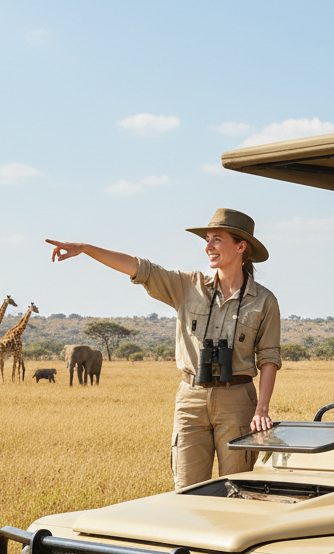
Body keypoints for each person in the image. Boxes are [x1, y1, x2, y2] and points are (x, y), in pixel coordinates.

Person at [46, 208, 281, 490]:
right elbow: (140, 268)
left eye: (217, 239)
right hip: (191, 399)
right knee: (187, 491)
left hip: (238, 402)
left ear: (241, 247)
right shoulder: (187, 285)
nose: (208, 247)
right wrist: (85, 249)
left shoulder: (264, 301)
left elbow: (269, 357)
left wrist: (262, 409)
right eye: (207, 239)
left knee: (238, 490)